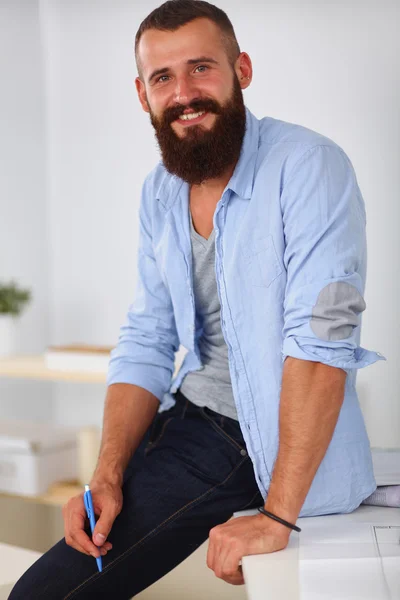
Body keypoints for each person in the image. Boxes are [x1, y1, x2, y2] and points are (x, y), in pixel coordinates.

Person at [9, 1, 385, 598]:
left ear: (243, 70)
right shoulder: (159, 193)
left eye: (201, 68)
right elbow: (150, 337)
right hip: (184, 414)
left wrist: (278, 516)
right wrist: (105, 473)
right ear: (143, 95)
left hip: (245, 433)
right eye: (163, 78)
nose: (184, 93)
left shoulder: (309, 166)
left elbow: (323, 337)